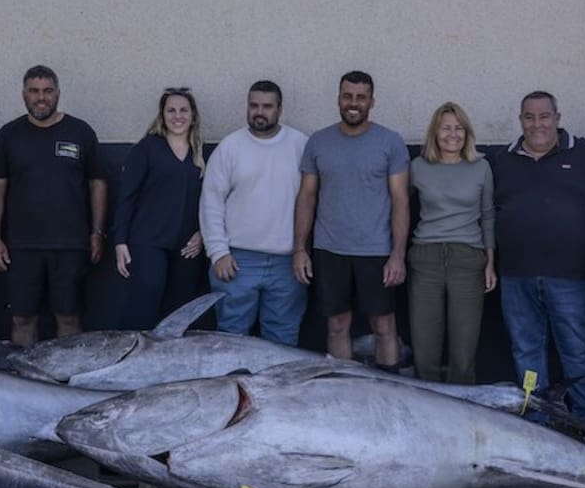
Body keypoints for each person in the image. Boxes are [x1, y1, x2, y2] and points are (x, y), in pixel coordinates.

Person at [489, 91, 585, 424]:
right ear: (520, 120)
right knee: (526, 351)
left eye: (544, 116)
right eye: (529, 117)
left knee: (578, 351)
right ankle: (536, 421)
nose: (537, 124)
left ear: (557, 118)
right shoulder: (501, 160)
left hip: (571, 277)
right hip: (516, 276)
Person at [0, 65, 107, 347]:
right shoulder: (9, 135)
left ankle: (67, 374)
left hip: (71, 245)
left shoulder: (80, 132)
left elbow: (98, 184)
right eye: (34, 91)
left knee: (69, 317)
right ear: (24, 94)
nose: (41, 97)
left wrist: (97, 232)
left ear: (58, 93)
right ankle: (24, 374)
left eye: (48, 91)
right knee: (22, 319)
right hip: (21, 246)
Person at [293, 71, 409, 366]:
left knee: (383, 326)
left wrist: (397, 254)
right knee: (336, 325)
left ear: (372, 101)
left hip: (377, 250)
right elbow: (306, 197)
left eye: (361, 97)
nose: (353, 103)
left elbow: (400, 200)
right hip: (329, 249)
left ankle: (388, 387)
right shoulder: (319, 142)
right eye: (347, 96)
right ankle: (343, 386)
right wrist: (300, 249)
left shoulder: (390, 142)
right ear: (338, 99)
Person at [199, 80, 307, 346]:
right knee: (231, 338)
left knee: (282, 340)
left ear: (279, 109)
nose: (260, 112)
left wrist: (303, 251)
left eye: (267, 106)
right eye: (254, 105)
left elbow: (313, 200)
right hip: (237, 260)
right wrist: (218, 252)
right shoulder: (230, 147)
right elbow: (211, 202)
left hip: (287, 262)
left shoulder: (300, 145)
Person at [407, 102, 496, 383]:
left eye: (459, 128)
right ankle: (426, 406)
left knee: (464, 350)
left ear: (467, 133)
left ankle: (460, 407)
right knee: (425, 349)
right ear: (434, 132)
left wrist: (490, 262)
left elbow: (488, 216)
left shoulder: (481, 167)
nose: (453, 134)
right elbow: (400, 207)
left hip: (467, 260)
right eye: (446, 128)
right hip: (425, 259)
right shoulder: (418, 167)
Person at [112, 87, 205, 330]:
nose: (178, 116)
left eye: (184, 110)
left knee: (179, 311)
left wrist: (202, 233)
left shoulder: (199, 153)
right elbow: (127, 196)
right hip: (148, 240)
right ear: (162, 115)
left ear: (193, 115)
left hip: (187, 245)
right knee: (146, 299)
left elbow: (209, 200)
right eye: (171, 110)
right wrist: (120, 241)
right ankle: (131, 350)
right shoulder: (147, 149)